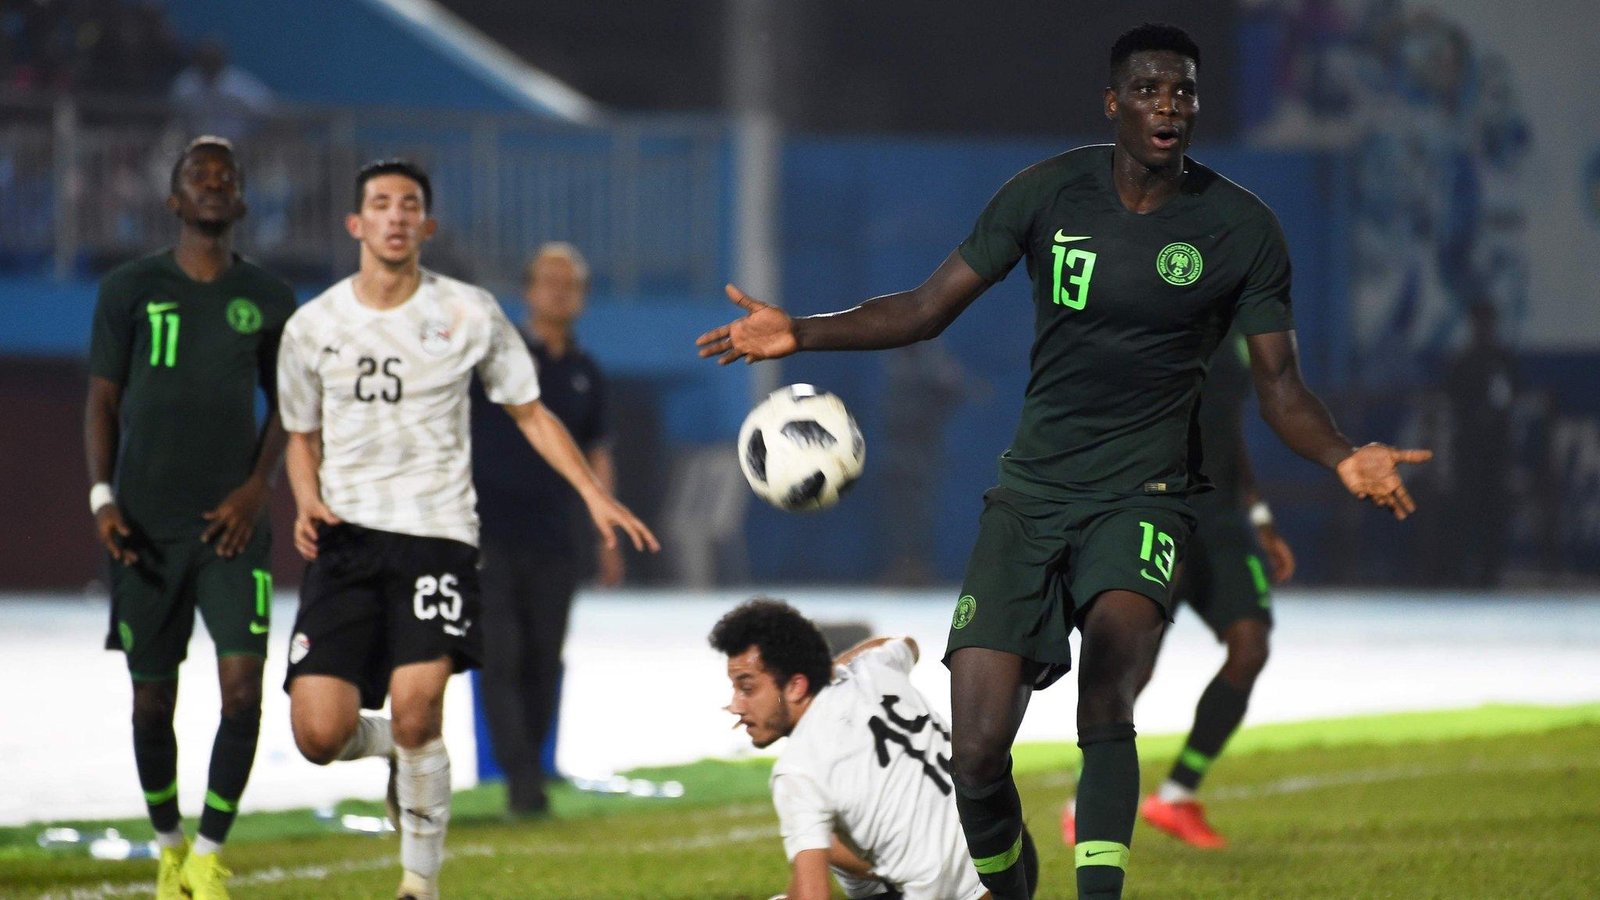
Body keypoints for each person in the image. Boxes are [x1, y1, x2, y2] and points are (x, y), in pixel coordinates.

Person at [697, 23, 1429, 899]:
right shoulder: (1047, 194)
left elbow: (1279, 385)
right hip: (1034, 494)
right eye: (1151, 89)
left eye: (1185, 92)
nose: (1170, 106)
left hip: (1147, 496)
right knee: (974, 750)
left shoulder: (1242, 228)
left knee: (1107, 687)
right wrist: (802, 331)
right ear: (1113, 102)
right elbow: (928, 308)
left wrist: (1343, 457)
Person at [275, 159, 658, 900]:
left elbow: (530, 412)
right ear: (357, 224)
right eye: (380, 204)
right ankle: (399, 751)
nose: (394, 216)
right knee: (319, 735)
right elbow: (300, 433)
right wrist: (303, 500)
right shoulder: (312, 325)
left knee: (420, 701)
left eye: (408, 205)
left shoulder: (470, 313)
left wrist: (593, 496)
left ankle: (420, 885)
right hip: (347, 542)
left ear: (427, 225)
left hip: (438, 536)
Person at [85, 136, 296, 900]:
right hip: (143, 527)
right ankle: (168, 841)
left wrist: (256, 489)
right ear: (174, 201)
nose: (213, 184)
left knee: (243, 690)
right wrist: (102, 498)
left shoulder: (270, 298)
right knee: (152, 700)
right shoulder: (129, 287)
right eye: (196, 176)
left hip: (232, 529)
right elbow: (103, 400)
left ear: (239, 202)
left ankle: (208, 855)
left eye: (226, 176)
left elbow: (288, 406)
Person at [1059, 333, 1297, 849]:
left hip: (1224, 524)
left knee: (1251, 646)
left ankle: (1177, 794)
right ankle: (1085, 798)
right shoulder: (1151, 322)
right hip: (1159, 514)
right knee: (1133, 669)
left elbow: (1228, 431)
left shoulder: (1231, 337)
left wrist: (1259, 516)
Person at [709, 597, 1036, 900]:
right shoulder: (873, 667)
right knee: (840, 828)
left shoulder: (798, 770)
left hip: (963, 892)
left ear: (796, 685)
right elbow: (905, 645)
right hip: (1010, 854)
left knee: (823, 836)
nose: (735, 705)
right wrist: (834, 670)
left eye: (747, 688)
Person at [470, 241, 621, 817]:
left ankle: (530, 765)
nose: (559, 291)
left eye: (571, 283)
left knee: (544, 658)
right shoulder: (495, 358)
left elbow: (597, 451)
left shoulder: (587, 373)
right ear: (528, 291)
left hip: (557, 536)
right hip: (489, 530)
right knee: (500, 654)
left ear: (581, 297)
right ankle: (521, 779)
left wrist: (605, 526)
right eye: (549, 281)